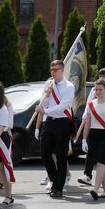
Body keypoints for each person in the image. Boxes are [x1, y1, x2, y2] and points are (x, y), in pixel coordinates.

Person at [36, 59, 76, 199]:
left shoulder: (69, 86)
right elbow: (44, 102)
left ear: (62, 70)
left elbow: (62, 107)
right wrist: (46, 94)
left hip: (63, 122)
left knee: (61, 155)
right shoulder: (49, 83)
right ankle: (54, 179)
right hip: (49, 122)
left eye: (55, 70)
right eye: (51, 70)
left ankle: (58, 187)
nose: (53, 72)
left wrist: (45, 111)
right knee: (45, 153)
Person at [80, 79, 105, 199]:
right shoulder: (91, 104)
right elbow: (87, 123)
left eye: (100, 90)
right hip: (93, 135)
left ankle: (95, 189)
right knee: (98, 162)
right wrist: (84, 139)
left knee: (101, 162)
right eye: (96, 89)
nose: (98, 92)